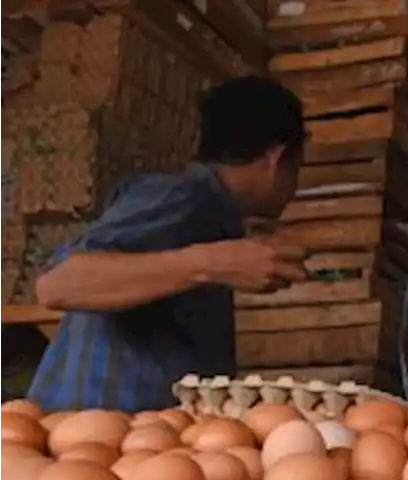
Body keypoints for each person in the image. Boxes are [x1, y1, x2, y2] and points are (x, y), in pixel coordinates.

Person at [27, 75, 310, 413]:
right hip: (85, 447)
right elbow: (57, 284)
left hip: (134, 449)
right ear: (276, 159)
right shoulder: (181, 197)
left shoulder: (213, 217)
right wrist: (211, 263)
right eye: (298, 166)